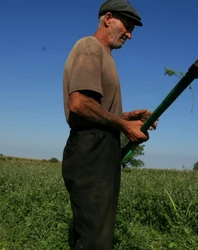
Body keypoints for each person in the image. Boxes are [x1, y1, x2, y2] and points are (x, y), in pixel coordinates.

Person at [61, 0, 158, 249]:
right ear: (108, 19)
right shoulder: (90, 47)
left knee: (96, 230)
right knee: (95, 238)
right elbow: (79, 103)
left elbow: (96, 110)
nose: (130, 34)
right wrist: (123, 126)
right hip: (90, 149)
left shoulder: (105, 56)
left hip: (101, 146)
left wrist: (126, 117)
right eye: (127, 26)